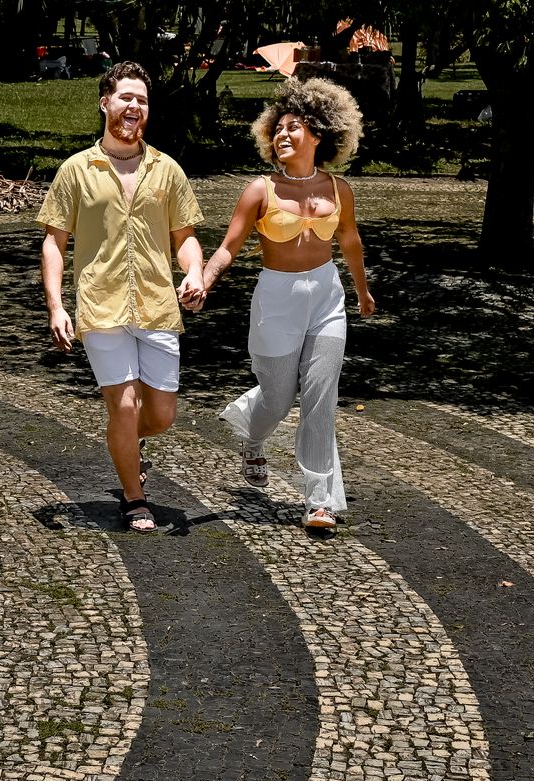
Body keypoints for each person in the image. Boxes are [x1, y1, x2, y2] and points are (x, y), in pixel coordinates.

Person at [194, 77, 374, 532]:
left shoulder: (339, 190)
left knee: (320, 397)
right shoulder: (259, 191)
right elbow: (228, 247)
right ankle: (252, 438)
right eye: (277, 128)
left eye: (294, 127)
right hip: (276, 297)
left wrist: (361, 290)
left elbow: (349, 241)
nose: (283, 135)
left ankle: (321, 500)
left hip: (326, 296)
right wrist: (203, 280)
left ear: (319, 134)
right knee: (277, 395)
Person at [38, 61, 206, 533]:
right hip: (101, 304)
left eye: (142, 100)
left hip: (157, 304)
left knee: (162, 414)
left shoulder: (167, 170)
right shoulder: (76, 170)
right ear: (105, 102)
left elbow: (184, 237)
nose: (134, 107)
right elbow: (54, 243)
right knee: (125, 406)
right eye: (126, 97)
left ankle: (127, 443)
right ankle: (134, 498)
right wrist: (56, 305)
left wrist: (194, 271)